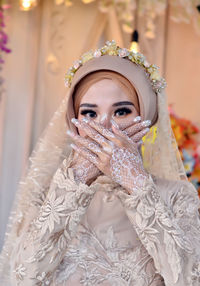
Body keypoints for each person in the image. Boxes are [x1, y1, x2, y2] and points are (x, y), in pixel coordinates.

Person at [0, 40, 200, 286]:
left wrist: (137, 184)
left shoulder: (176, 196)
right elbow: (21, 279)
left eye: (121, 111)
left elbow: (189, 281)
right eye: (89, 114)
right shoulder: (46, 194)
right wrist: (74, 185)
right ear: (74, 119)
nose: (104, 126)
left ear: (146, 116)